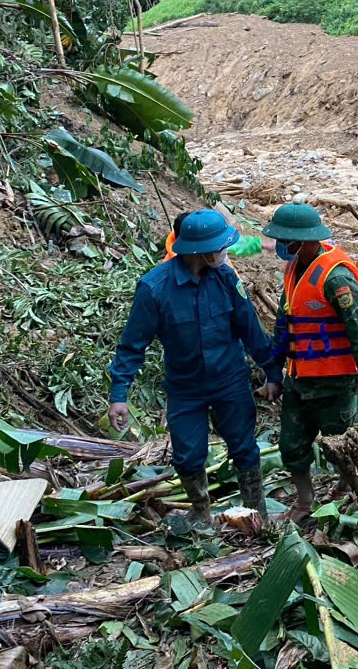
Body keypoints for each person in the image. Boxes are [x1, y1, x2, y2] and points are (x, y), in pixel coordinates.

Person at [107, 210, 278, 524]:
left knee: (245, 448)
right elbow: (132, 344)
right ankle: (201, 514)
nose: (226, 252)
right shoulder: (155, 288)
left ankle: (258, 513)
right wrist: (119, 394)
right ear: (200, 250)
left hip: (230, 381)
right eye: (222, 247)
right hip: (185, 389)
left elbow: (250, 329)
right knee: (187, 455)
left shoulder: (227, 278)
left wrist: (272, 372)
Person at [261, 203, 358, 523]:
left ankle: (351, 495)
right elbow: (286, 322)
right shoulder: (294, 268)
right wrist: (273, 373)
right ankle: (305, 503)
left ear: (303, 240)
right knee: (291, 446)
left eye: (285, 240)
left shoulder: (337, 277)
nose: (280, 246)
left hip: (335, 383)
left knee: (342, 449)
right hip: (299, 378)